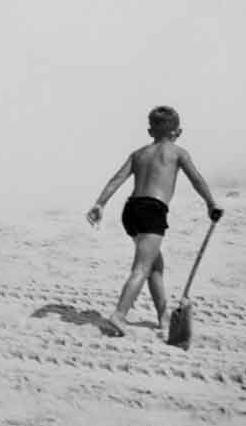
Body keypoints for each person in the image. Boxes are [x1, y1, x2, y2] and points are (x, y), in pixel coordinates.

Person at [85, 106, 223, 338]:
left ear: (150, 131)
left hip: (131, 210)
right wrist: (211, 203)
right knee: (141, 267)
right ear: (177, 131)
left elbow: (117, 179)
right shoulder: (178, 152)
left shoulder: (138, 154)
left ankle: (163, 317)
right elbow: (196, 180)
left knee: (155, 266)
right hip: (153, 210)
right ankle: (119, 315)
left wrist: (100, 204)